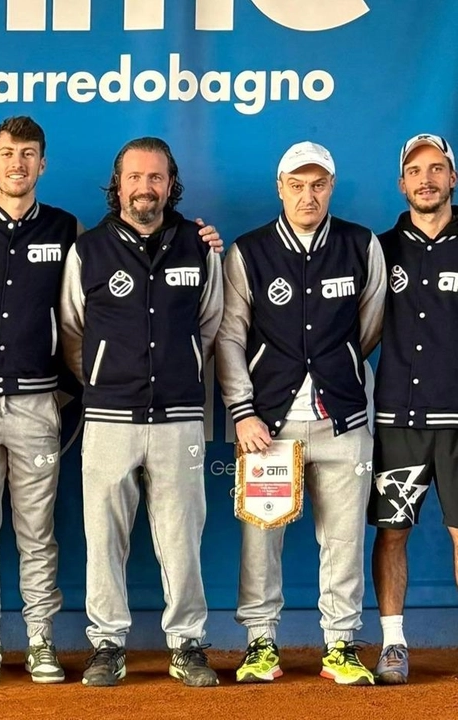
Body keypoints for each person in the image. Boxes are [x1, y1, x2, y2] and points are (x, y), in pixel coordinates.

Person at [217, 141, 385, 686]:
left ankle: (340, 644)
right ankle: (261, 642)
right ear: (280, 186)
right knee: (261, 536)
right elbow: (229, 335)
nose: (307, 194)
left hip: (344, 421)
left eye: (318, 184)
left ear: (331, 186)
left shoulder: (361, 246)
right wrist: (243, 411)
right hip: (269, 425)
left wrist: (338, 370)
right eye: (297, 184)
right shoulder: (249, 251)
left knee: (343, 539)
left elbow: (371, 323)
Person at [59, 136, 222, 688]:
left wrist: (182, 366)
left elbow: (210, 322)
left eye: (156, 178)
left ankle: (187, 644)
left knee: (181, 536)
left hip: (179, 416)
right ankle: (107, 644)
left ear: (170, 184)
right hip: (108, 416)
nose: (145, 188)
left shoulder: (199, 246)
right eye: (135, 177)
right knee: (103, 536)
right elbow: (73, 330)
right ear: (118, 183)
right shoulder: (89, 249)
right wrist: (105, 377)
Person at [0, 116, 80, 683]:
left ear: (43, 163)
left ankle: (42, 638)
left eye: (29, 154)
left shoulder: (66, 229)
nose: (18, 164)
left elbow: (80, 315)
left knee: (36, 528)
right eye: (7, 153)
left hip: (36, 403)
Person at [368, 133, 458, 684]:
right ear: (401, 184)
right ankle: (394, 645)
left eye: (437, 169)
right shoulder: (379, 249)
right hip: (397, 418)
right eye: (415, 171)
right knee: (392, 532)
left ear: (452, 178)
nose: (426, 179)